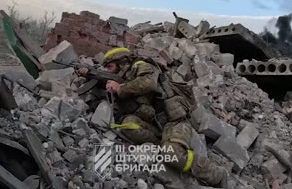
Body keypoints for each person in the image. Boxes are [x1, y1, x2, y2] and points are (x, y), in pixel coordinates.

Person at [78, 47, 227, 187]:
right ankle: (159, 147)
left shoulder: (141, 65)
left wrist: (120, 88)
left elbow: (148, 83)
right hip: (156, 125)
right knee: (127, 125)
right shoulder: (126, 77)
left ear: (121, 62)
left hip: (174, 122)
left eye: (110, 67)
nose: (107, 71)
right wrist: (87, 74)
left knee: (172, 153)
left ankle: (216, 174)